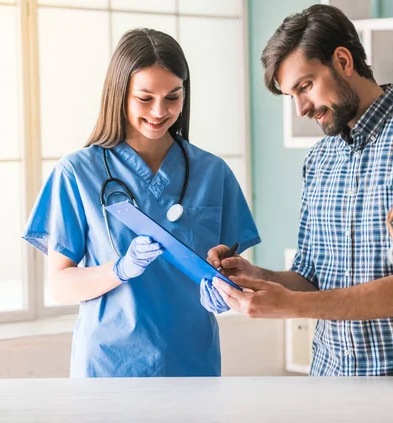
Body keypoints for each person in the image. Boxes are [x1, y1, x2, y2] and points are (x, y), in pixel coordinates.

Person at [201, 4, 393, 377]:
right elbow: (310, 276)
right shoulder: (319, 160)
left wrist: (294, 306)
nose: (301, 109)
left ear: (343, 61)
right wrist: (256, 277)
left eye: (306, 86)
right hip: (331, 379)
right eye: (291, 96)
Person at [22, 28, 260, 377]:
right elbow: (60, 285)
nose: (160, 112)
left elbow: (235, 270)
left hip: (192, 364)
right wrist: (119, 269)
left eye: (173, 97)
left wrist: (225, 290)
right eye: (145, 98)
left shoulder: (212, 172)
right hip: (109, 367)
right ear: (119, 95)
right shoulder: (77, 172)